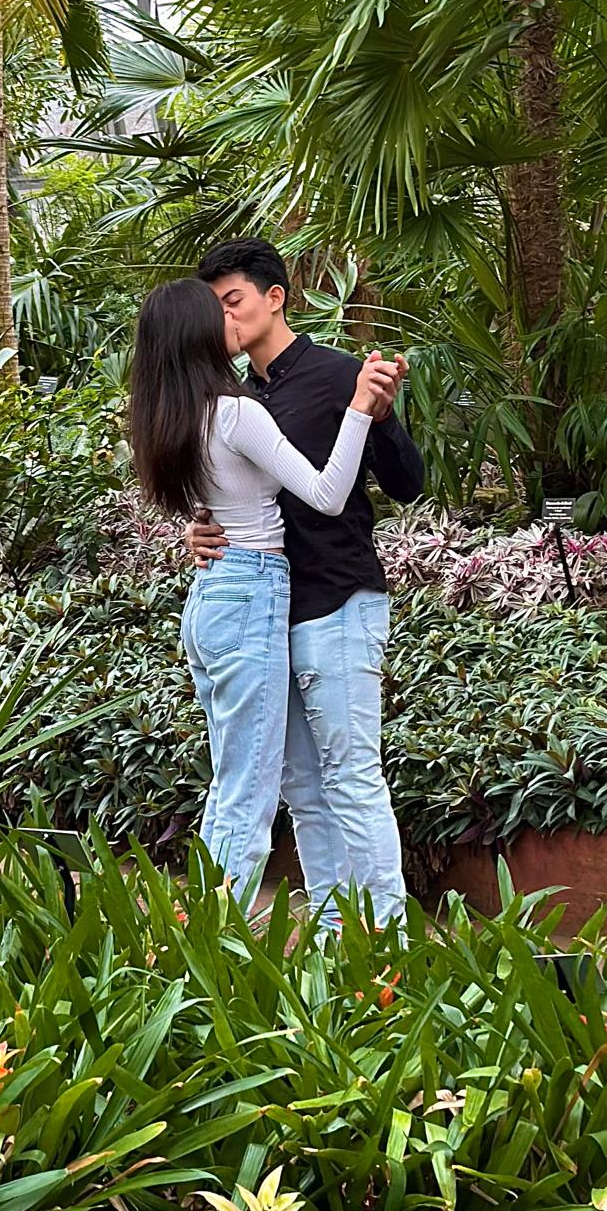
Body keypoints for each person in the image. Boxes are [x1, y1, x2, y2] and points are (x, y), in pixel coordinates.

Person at [129, 277, 399, 904]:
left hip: (213, 597)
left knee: (242, 784)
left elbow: (216, 504)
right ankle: (211, 948)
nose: (230, 319)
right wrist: (359, 409)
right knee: (249, 796)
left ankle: (294, 931)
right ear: (197, 333)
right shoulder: (237, 410)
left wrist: (202, 527)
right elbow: (329, 495)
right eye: (215, 311)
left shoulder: (172, 414)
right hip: (250, 592)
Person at [189, 239, 424, 929]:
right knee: (302, 786)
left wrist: (377, 413)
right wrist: (196, 529)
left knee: (352, 776)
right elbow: (227, 499)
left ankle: (387, 940)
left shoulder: (339, 376)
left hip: (340, 598)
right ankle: (331, 937)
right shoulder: (229, 400)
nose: (224, 321)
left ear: (274, 297)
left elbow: (407, 486)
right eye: (214, 310)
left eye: (232, 302)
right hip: (265, 611)